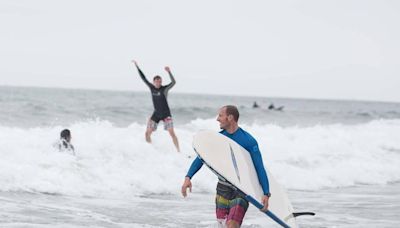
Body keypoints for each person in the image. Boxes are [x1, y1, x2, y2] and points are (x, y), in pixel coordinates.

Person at [181, 105, 271, 228]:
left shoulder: (249, 141)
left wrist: (266, 193)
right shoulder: (218, 139)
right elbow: (201, 158)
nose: (217, 119)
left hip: (241, 190)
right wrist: (188, 177)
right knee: (222, 225)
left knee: (232, 225)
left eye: (220, 115)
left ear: (230, 117)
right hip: (222, 189)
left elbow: (259, 167)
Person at [132, 60, 180, 152]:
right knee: (147, 133)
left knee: (172, 133)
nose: (158, 83)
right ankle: (150, 150)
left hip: (166, 115)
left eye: (160, 81)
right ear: (154, 82)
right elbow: (143, 78)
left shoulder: (164, 89)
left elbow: (174, 82)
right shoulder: (151, 87)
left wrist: (169, 72)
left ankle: (178, 151)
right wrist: (137, 67)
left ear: (161, 82)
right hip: (156, 114)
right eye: (156, 81)